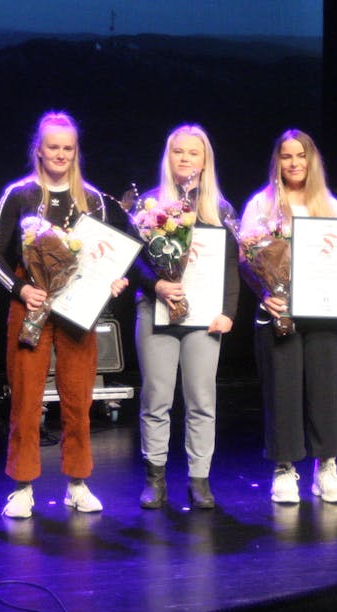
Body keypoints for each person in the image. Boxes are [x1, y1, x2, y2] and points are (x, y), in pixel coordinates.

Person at [0, 111, 128, 519]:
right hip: (30, 304)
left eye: (68, 148)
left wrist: (111, 282)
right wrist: (21, 289)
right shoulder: (20, 194)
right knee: (27, 399)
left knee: (78, 397)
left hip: (77, 308)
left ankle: (78, 483)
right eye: (53, 147)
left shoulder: (94, 199)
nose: (61, 154)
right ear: (39, 150)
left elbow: (104, 257)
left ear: (75, 151)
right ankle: (23, 486)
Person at [131, 124, 239, 510]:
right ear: (168, 156)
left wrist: (228, 312)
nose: (185, 159)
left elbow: (231, 265)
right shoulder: (148, 206)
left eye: (193, 152)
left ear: (205, 159)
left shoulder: (220, 210)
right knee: (157, 396)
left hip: (205, 317)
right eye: (178, 151)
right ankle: (155, 478)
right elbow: (132, 259)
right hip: (156, 310)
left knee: (201, 398)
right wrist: (156, 285)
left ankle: (199, 480)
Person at [240, 129, 337, 504]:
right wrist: (265, 294)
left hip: (322, 312)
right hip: (278, 312)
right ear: (277, 161)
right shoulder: (261, 205)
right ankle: (285, 468)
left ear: (311, 159)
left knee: (324, 390)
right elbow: (245, 260)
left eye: (300, 155)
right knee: (282, 390)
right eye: (286, 156)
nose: (294, 163)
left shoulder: (330, 206)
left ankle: (327, 468)